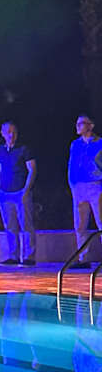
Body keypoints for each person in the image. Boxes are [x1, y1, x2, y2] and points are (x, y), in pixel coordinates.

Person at [0, 121, 36, 267]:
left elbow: (32, 169)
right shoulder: (1, 150)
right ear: (2, 133)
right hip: (5, 193)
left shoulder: (24, 149)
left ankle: (29, 257)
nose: (11, 135)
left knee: (26, 225)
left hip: (20, 192)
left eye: (13, 132)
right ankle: (13, 256)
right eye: (8, 132)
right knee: (10, 226)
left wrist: (26, 190)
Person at [68, 113, 102, 267]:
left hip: (95, 185)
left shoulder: (100, 143)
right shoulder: (75, 144)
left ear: (91, 126)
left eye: (81, 123)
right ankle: (83, 258)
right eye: (77, 123)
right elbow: (72, 165)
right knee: (80, 224)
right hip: (79, 187)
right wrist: (72, 184)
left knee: (100, 221)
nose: (78, 126)